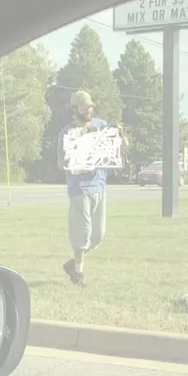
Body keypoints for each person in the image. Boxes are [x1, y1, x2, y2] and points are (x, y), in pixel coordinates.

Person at [56, 90, 116, 286]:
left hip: (99, 185)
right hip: (79, 188)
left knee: (98, 235)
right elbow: (60, 163)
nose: (88, 110)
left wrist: (120, 142)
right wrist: (74, 163)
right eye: (84, 108)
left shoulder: (101, 126)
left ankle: (72, 264)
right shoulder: (66, 133)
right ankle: (78, 274)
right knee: (82, 235)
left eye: (90, 106)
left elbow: (112, 149)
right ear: (75, 110)